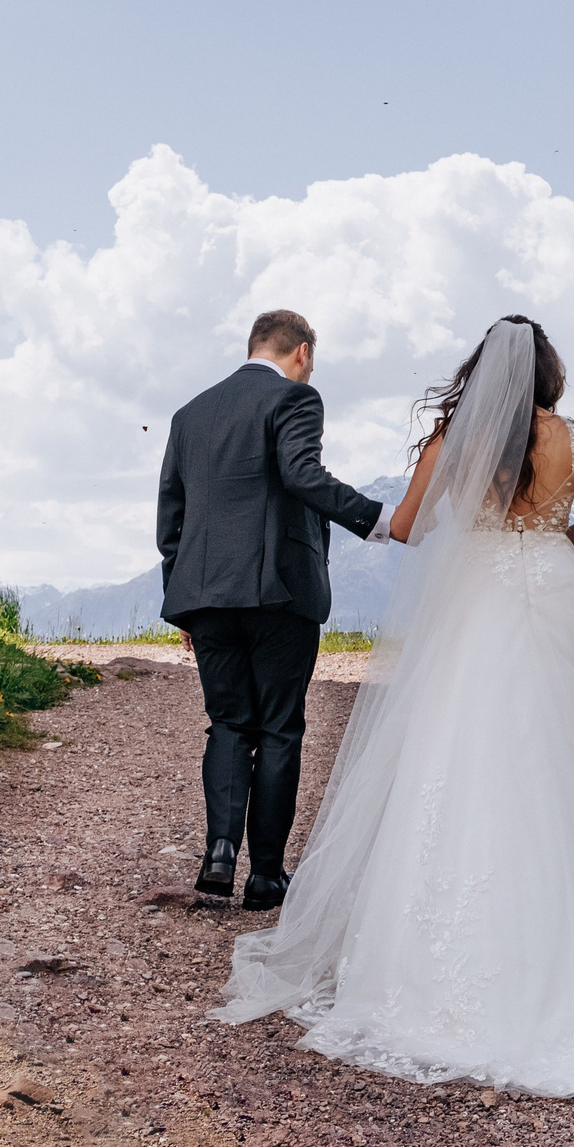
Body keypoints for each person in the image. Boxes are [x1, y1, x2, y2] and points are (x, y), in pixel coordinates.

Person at [211, 315, 574, 1097]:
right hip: (549, 595)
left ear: (481, 372)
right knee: (569, 756)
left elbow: (408, 528)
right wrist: (558, 539)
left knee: (460, 750)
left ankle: (448, 968)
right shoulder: (573, 437)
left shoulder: (455, 440)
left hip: (478, 603)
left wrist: (468, 528)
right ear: (548, 372)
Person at [156, 309, 389, 911]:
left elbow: (172, 519)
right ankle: (264, 877)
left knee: (230, 722)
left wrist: (183, 601)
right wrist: (378, 520)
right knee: (281, 726)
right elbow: (301, 474)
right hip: (280, 592)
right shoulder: (295, 400)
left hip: (206, 594)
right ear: (303, 352)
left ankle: (219, 852)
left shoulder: (189, 415)